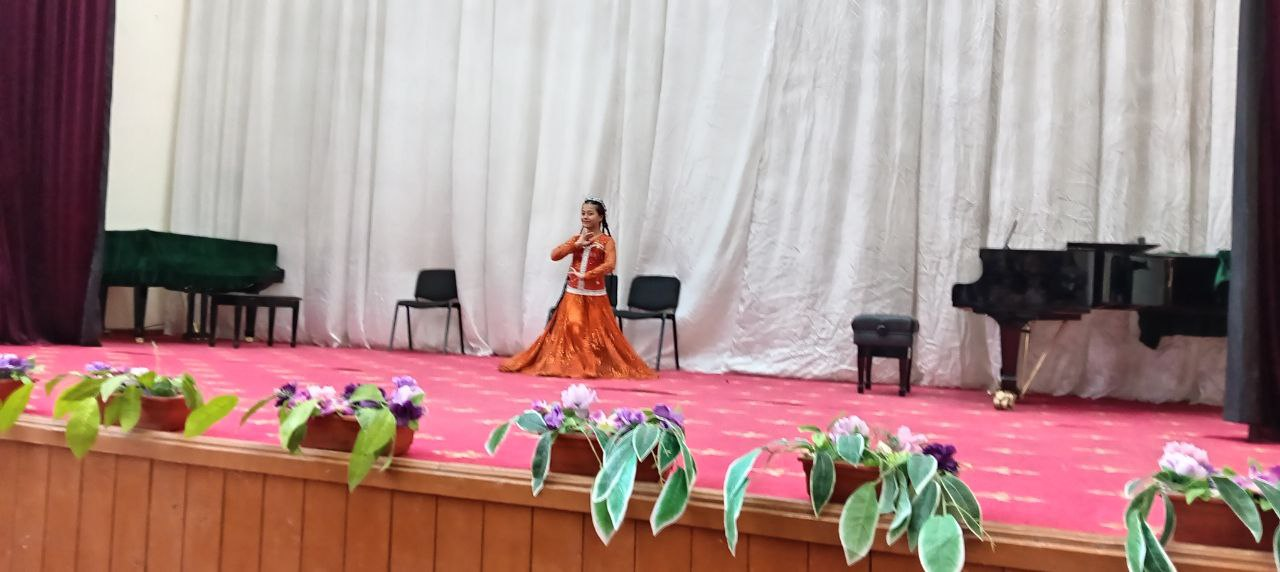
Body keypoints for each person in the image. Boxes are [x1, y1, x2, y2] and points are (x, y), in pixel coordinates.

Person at [500, 198, 656, 379]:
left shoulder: (606, 241)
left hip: (596, 296)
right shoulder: (576, 239)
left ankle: (591, 366)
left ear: (600, 217)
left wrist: (587, 275)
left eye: (590, 213)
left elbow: (610, 265)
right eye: (583, 213)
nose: (585, 217)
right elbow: (554, 255)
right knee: (574, 326)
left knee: (596, 334)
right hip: (573, 294)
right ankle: (578, 365)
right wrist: (576, 245)